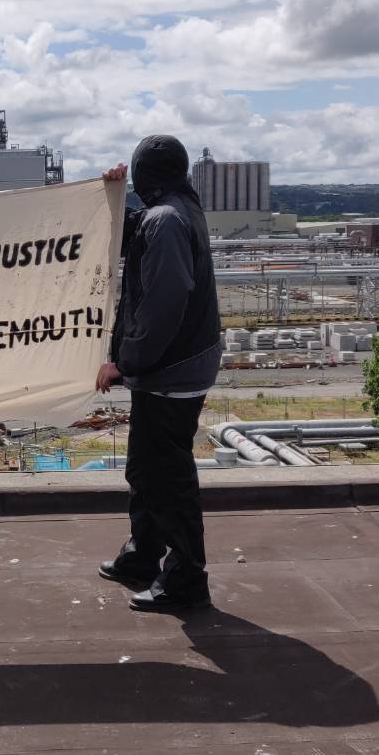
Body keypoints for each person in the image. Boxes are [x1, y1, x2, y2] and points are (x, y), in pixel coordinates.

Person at [96, 136, 222, 612]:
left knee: (167, 479)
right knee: (145, 470)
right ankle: (143, 555)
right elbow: (137, 232)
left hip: (171, 370)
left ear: (145, 174)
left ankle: (186, 577)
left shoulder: (167, 219)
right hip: (176, 368)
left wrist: (126, 361)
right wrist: (114, 199)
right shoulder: (175, 210)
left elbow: (163, 304)